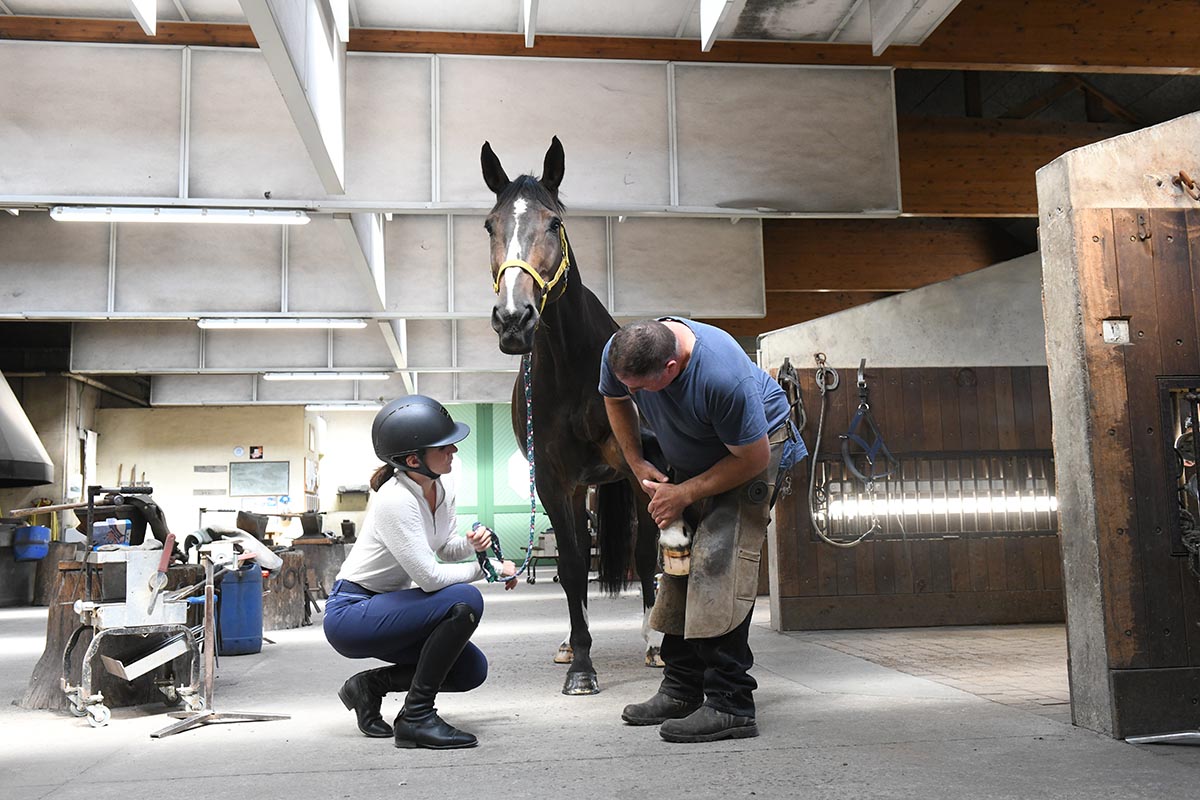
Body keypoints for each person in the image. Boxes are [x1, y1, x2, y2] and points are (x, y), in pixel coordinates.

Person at [599, 317, 806, 743]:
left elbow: (751, 458)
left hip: (755, 448)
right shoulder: (622, 350)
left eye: (642, 388)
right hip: (698, 455)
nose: (633, 394)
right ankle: (682, 688)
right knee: (678, 560)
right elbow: (614, 399)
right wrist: (637, 461)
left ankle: (731, 703)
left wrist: (684, 493)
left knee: (718, 561)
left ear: (671, 368)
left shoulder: (721, 375)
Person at [323, 395, 516, 750]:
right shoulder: (395, 500)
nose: (453, 451)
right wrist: (486, 570)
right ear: (414, 460)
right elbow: (429, 578)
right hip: (352, 612)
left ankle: (369, 686)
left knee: (470, 668)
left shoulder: (441, 488)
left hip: (390, 607)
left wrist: (474, 545)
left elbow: (444, 548)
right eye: (444, 447)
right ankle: (416, 717)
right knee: (465, 600)